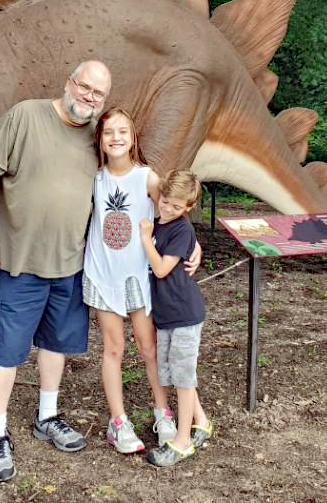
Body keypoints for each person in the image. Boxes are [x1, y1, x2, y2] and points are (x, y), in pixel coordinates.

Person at [0, 60, 112, 483]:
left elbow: (136, 180)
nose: (89, 97)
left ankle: (47, 416)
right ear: (69, 82)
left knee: (56, 343)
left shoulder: (99, 136)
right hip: (19, 262)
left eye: (98, 93)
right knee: (7, 348)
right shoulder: (26, 115)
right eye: (84, 87)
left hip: (70, 263)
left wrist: (181, 232)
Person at [82, 108, 177, 454]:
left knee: (149, 347)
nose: (116, 137)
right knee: (113, 348)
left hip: (138, 274)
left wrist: (191, 245)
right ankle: (118, 421)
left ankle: (163, 412)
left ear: (133, 137)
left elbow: (172, 210)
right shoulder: (94, 179)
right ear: (100, 140)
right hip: (103, 271)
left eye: (123, 131)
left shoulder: (146, 178)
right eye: (109, 132)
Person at [139, 170, 213, 467]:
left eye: (177, 206)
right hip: (166, 315)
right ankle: (202, 422)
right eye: (165, 201)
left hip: (183, 313)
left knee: (183, 378)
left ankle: (182, 442)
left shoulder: (181, 230)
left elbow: (160, 269)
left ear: (189, 207)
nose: (168, 209)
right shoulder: (159, 222)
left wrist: (146, 239)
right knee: (173, 372)